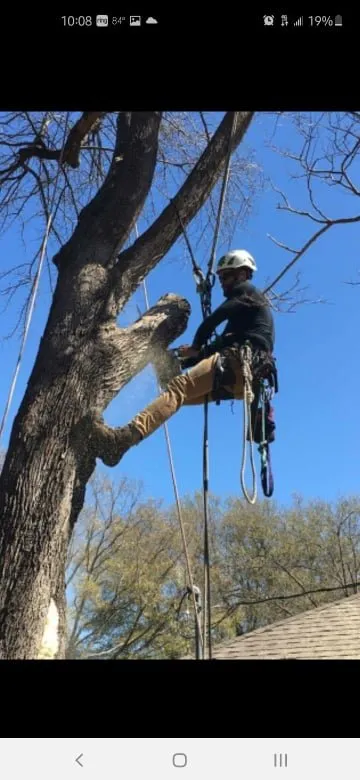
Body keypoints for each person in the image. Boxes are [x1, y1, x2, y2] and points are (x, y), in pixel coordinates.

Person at [90, 249, 275, 467]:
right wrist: (186, 359)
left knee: (179, 390)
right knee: (179, 395)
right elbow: (218, 344)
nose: (222, 282)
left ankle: (121, 441)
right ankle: (130, 432)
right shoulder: (246, 317)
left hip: (240, 362)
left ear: (242, 274)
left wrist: (196, 345)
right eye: (221, 277)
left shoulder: (247, 293)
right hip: (244, 382)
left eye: (226, 276)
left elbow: (211, 322)